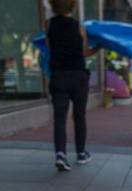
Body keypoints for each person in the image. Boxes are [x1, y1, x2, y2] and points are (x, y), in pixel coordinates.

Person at [47, 0, 97, 172]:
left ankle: (60, 154)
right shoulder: (79, 27)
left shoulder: (49, 25)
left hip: (58, 76)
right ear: (73, 6)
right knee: (79, 116)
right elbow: (85, 52)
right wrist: (99, 48)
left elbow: (49, 48)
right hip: (78, 77)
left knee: (59, 118)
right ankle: (81, 154)